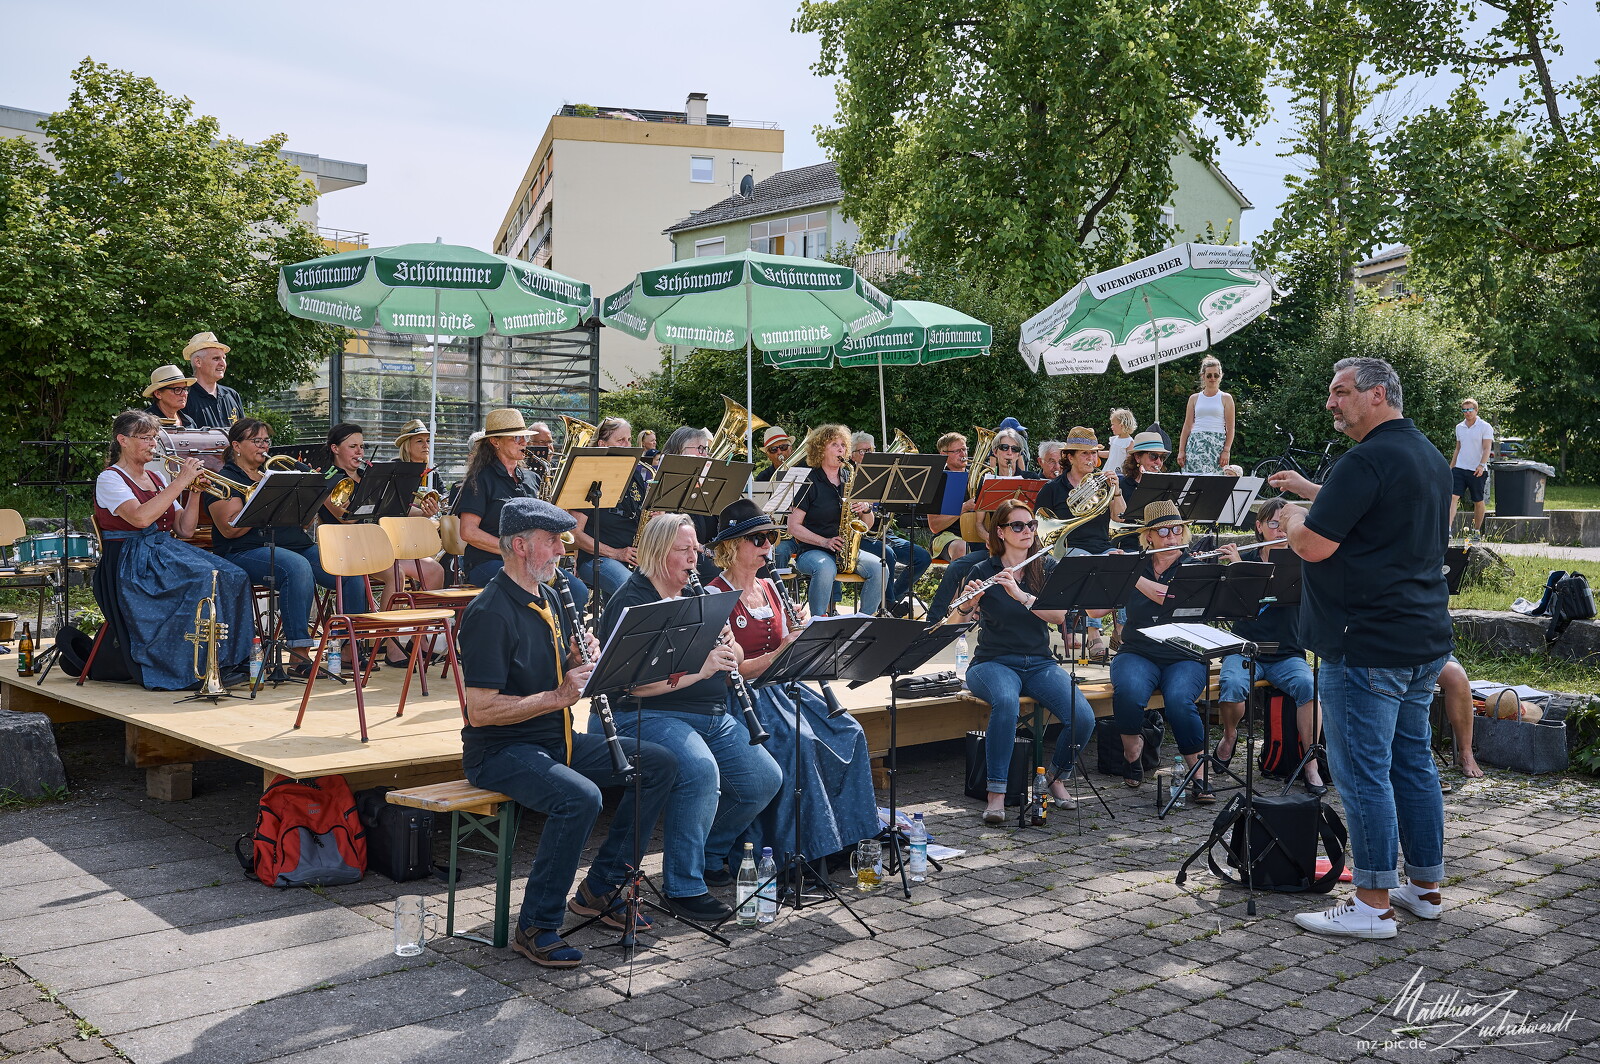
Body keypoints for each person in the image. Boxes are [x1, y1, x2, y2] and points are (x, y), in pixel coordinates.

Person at [1271, 355, 1452, 940]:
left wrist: (1294, 516)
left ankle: (1371, 903)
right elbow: (1375, 508)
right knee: (1412, 764)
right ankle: (1424, 888)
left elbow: (1316, 546)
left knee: (1363, 775)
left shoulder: (1365, 458)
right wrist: (1314, 490)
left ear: (1376, 394)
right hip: (1422, 639)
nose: (1331, 402)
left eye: (1340, 391)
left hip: (1365, 644)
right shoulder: (1423, 453)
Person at [457, 497, 677, 968]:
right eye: (552, 541)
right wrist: (560, 695)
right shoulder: (490, 613)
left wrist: (582, 660)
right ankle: (536, 924)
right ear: (519, 545)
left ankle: (601, 890)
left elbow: (564, 671)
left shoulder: (553, 596)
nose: (563, 549)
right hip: (501, 750)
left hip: (555, 739)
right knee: (579, 798)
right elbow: (480, 711)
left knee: (659, 764)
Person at [599, 513, 782, 923]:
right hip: (646, 713)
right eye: (684, 551)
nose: (694, 559)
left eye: (695, 549)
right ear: (656, 553)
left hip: (708, 712)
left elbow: (733, 657)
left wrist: (731, 653)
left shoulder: (698, 595)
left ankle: (709, 852)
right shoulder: (634, 602)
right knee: (699, 771)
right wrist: (703, 669)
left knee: (763, 779)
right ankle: (684, 885)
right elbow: (635, 687)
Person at [706, 500, 878, 866]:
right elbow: (733, 671)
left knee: (849, 730)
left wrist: (804, 634)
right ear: (732, 546)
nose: (768, 545)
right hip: (744, 698)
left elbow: (793, 649)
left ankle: (849, 837)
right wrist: (782, 652)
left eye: (770, 537)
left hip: (783, 689)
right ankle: (799, 850)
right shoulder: (714, 595)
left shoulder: (770, 586)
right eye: (758, 538)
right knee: (799, 743)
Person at [950, 498, 1099, 824]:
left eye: (1031, 525)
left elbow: (1059, 616)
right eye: (1017, 526)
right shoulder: (982, 570)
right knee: (1006, 702)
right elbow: (953, 624)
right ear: (1000, 532)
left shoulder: (1045, 568)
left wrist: (1020, 593)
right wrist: (967, 605)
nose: (1027, 531)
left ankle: (1054, 777)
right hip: (992, 662)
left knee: (1083, 716)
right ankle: (997, 794)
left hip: (1039, 662)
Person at [91, 410, 253, 690]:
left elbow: (185, 529)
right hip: (131, 559)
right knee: (203, 579)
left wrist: (195, 492)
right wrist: (180, 481)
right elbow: (140, 518)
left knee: (234, 574)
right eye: (145, 438)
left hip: (162, 550)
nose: (153, 444)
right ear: (123, 440)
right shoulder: (110, 479)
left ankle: (226, 661)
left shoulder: (156, 480)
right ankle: (189, 668)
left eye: (155, 438)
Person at [205, 419, 363, 673]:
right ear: (236, 445)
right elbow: (229, 530)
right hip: (245, 550)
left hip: (293, 544)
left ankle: (347, 648)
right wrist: (261, 500)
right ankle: (300, 655)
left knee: (350, 568)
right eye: (257, 441)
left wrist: (311, 494)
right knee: (297, 568)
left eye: (266, 440)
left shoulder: (276, 476)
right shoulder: (223, 479)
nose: (264, 446)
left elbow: (302, 523)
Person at [1212, 497, 1327, 793]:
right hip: (1245, 649)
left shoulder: (1304, 563)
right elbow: (1228, 607)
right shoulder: (1245, 561)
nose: (1279, 531)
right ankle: (1229, 736)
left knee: (1307, 687)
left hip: (1287, 652)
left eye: (1284, 524)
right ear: (1260, 527)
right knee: (1233, 685)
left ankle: (1311, 763)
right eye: (1273, 524)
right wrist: (1236, 570)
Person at [1108, 501, 1212, 800]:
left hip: (1184, 654)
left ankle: (1198, 774)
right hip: (1139, 650)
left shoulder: (1195, 566)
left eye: (1177, 529)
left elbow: (1166, 596)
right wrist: (1112, 574)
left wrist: (1130, 577)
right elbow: (1095, 608)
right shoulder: (1136, 564)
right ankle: (1132, 751)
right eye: (1163, 530)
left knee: (1180, 701)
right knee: (1127, 690)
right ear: (1149, 536)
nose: (1171, 536)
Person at [1035, 427, 1124, 660]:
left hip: (1102, 545)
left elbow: (1119, 518)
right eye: (1085, 454)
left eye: (1094, 454)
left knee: (1125, 564)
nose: (1091, 459)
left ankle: (1121, 630)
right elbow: (1039, 527)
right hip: (1068, 547)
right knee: (1090, 565)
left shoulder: (1104, 484)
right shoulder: (1053, 489)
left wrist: (1116, 491)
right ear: (1070, 457)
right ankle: (1094, 632)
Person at [787, 425, 886, 617]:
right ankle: (818, 622)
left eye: (843, 445)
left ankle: (863, 621)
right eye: (834, 444)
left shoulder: (850, 477)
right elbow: (793, 526)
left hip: (845, 549)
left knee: (879, 567)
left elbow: (868, 524)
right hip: (812, 550)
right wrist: (825, 542)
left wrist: (865, 508)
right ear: (820, 450)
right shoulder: (809, 481)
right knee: (825, 568)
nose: (841, 449)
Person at [455, 409, 540, 587]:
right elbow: (468, 532)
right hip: (487, 562)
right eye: (517, 438)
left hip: (529, 563)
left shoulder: (532, 478)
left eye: (525, 437)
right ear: (495, 441)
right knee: (530, 584)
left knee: (577, 589)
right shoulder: (479, 478)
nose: (524, 442)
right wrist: (513, 551)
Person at [849, 433, 932, 616]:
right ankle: (890, 604)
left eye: (870, 450)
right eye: (862, 451)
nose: (867, 455)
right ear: (852, 455)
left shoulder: (887, 477)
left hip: (884, 533)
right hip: (860, 537)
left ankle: (891, 598)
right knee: (888, 554)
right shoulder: (848, 479)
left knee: (922, 557)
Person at [568, 416, 648, 598]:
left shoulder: (635, 474)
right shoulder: (588, 476)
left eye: (629, 439)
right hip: (597, 559)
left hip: (633, 557)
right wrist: (617, 554)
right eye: (621, 440)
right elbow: (574, 534)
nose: (628, 445)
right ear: (603, 444)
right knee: (633, 593)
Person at [1177, 356, 1235, 475]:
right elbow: (1187, 426)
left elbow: (1230, 428)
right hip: (1195, 444)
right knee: (1192, 480)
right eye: (1209, 375)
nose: (1212, 378)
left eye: (1216, 375)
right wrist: (1181, 451)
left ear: (1220, 376)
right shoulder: (1194, 398)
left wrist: (1226, 450)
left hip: (1216, 445)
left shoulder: (1226, 398)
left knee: (1214, 483)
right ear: (1203, 376)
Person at [1448, 398, 1494, 542]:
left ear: (1476, 410)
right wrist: (1451, 466)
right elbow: (1458, 448)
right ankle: (1447, 530)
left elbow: (1487, 448)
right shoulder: (1459, 427)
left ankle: (1476, 531)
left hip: (1477, 469)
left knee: (1478, 500)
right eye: (1464, 410)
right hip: (1460, 468)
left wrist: (1481, 465)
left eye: (1470, 410)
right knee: (1453, 497)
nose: (1467, 413)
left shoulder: (1485, 426)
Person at [181, 332, 244, 429]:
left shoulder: (231, 395)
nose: (223, 363)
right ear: (198, 362)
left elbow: (243, 435)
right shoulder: (183, 396)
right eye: (216, 358)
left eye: (224, 358)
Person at [928, 432, 973, 562]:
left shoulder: (977, 477)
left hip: (976, 534)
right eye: (957, 451)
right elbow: (934, 526)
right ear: (944, 455)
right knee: (961, 547)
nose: (963, 454)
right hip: (946, 536)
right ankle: (958, 583)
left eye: (964, 449)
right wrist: (963, 508)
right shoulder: (937, 481)